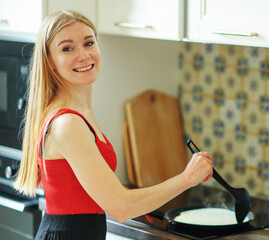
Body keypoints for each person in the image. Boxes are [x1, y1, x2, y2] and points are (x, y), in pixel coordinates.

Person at [14, 10, 213, 240]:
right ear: (50, 61)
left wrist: (141, 199)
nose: (83, 55)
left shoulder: (79, 112)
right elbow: (121, 208)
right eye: (67, 48)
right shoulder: (68, 123)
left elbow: (85, 188)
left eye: (89, 43)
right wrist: (188, 178)